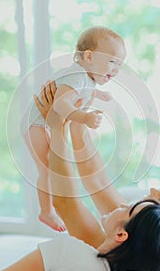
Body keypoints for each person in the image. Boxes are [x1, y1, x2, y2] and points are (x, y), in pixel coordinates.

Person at [0, 83, 160, 271]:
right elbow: (95, 180)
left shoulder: (72, 251)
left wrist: (58, 126)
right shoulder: (155, 269)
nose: (153, 192)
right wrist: (76, 120)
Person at [23, 26, 126, 232]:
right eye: (112, 61)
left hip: (45, 125)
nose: (115, 70)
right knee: (47, 168)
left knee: (55, 166)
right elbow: (61, 104)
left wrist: (96, 96)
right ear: (89, 56)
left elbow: (79, 94)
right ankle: (46, 211)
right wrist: (84, 117)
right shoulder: (77, 76)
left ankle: (48, 208)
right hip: (35, 126)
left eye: (120, 65)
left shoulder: (85, 79)